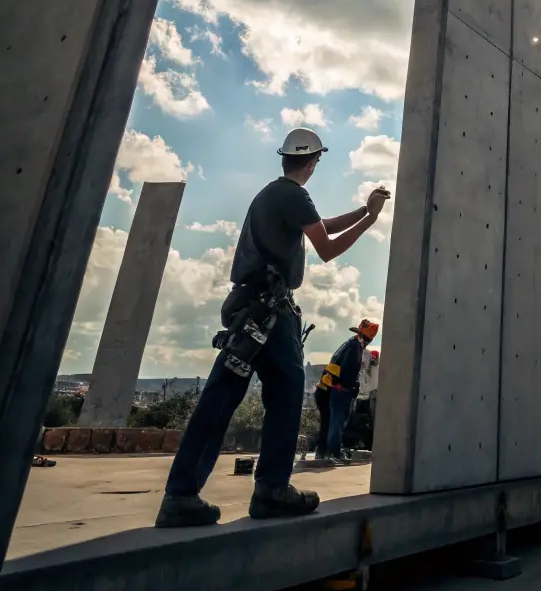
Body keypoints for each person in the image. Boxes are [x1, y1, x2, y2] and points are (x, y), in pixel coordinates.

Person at [156, 128, 390, 527]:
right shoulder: (293, 195)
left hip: (252, 309)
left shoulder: (274, 195)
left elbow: (320, 225)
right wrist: (369, 219)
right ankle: (271, 490)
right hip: (271, 312)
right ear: (314, 162)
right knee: (285, 395)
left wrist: (363, 211)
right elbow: (327, 247)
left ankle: (181, 494)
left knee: (222, 396)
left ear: (285, 158)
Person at [324, 320, 379, 461]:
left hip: (337, 388)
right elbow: (348, 370)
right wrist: (352, 387)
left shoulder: (351, 344)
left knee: (336, 420)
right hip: (342, 390)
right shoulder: (354, 348)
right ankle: (335, 452)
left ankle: (330, 451)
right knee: (338, 420)